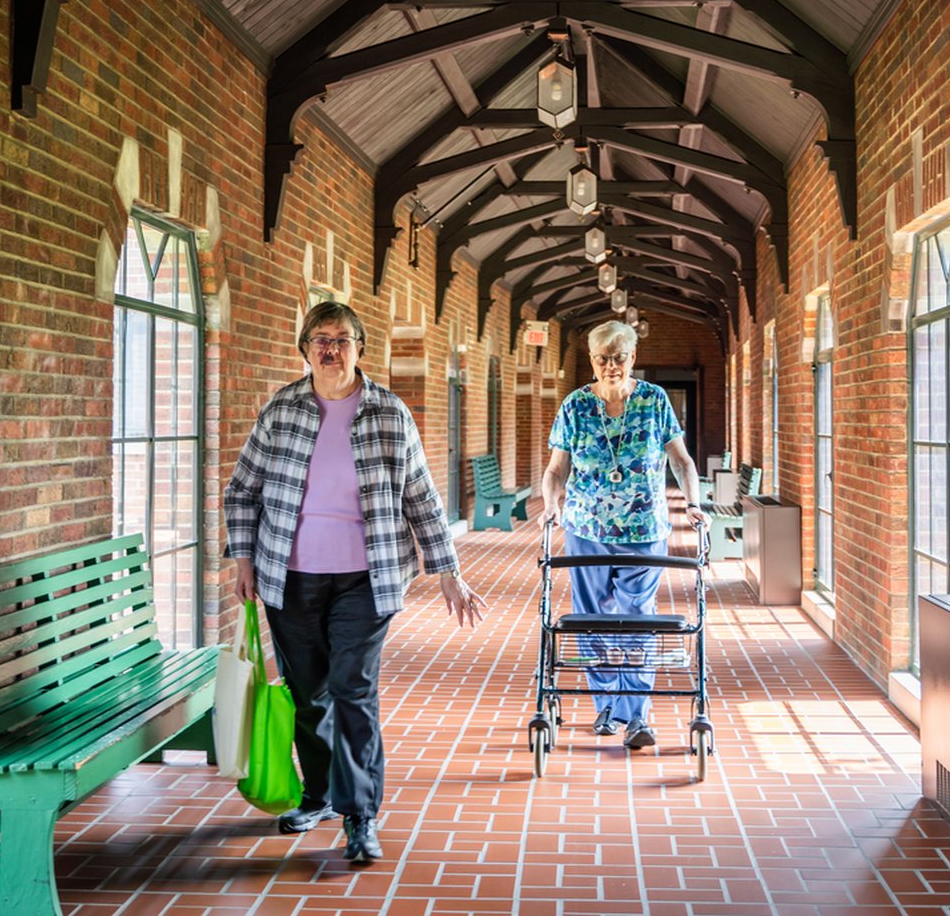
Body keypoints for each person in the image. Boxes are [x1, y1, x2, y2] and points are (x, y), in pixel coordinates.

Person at [224, 301, 487, 865]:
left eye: (342, 339)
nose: (330, 349)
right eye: (319, 339)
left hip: (366, 581)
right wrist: (242, 559)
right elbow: (242, 489)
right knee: (308, 695)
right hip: (288, 578)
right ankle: (318, 795)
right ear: (305, 348)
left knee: (352, 690)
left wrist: (448, 573)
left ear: (359, 348)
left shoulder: (389, 413)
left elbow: (422, 497)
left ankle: (361, 816)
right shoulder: (281, 410)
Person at [537, 320, 706, 751]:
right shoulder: (575, 406)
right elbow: (557, 468)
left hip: (644, 528)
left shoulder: (653, 401)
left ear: (633, 358)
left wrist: (693, 504)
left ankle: (636, 714)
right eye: (602, 358)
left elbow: (682, 461)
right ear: (593, 361)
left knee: (638, 619)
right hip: (585, 530)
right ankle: (606, 705)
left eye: (619, 357)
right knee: (591, 619)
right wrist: (550, 505)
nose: (611, 366)